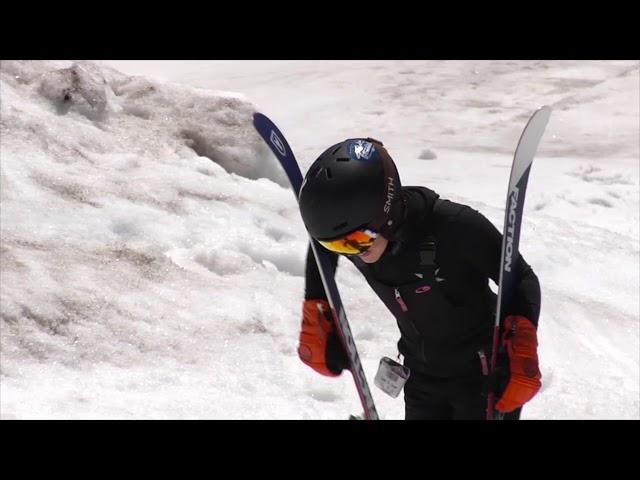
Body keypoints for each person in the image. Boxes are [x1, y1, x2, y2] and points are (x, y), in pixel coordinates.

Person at [296, 137, 542, 420]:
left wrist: (521, 346)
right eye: (340, 246)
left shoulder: (454, 227)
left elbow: (522, 278)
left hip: (483, 376)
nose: (354, 253)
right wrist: (316, 306)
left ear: (386, 214)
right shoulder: (363, 236)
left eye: (356, 241)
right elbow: (321, 249)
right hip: (420, 374)